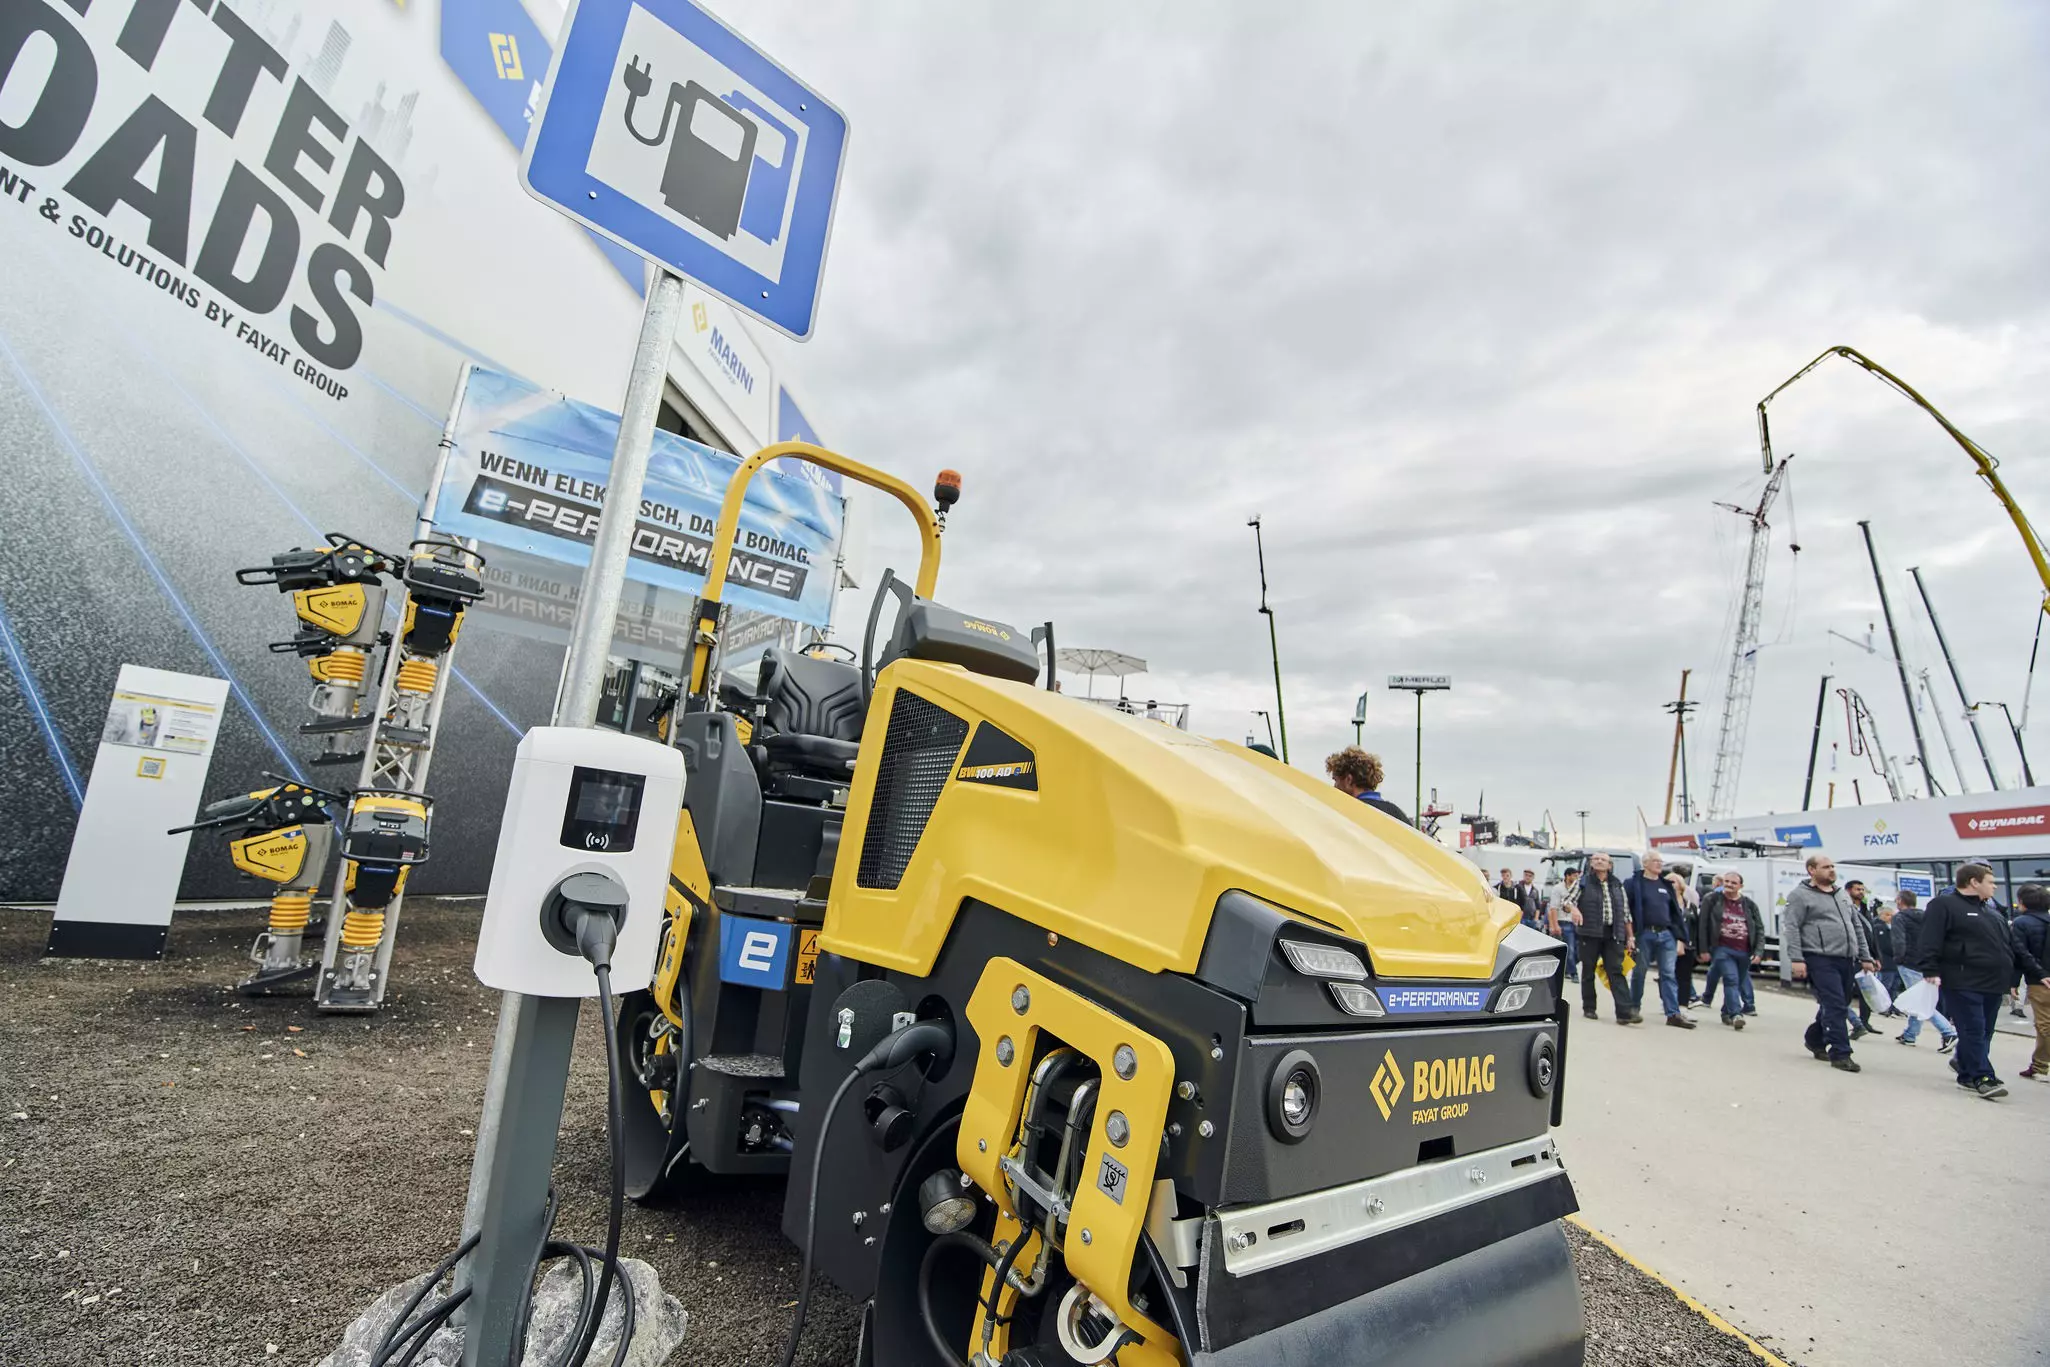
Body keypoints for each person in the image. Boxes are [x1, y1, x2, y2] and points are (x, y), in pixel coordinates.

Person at [1914, 863, 2048, 1100]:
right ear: (1974, 882)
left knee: (1984, 1031)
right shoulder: (1944, 905)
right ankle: (1983, 1077)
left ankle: (1966, 1071)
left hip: (1994, 983)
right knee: (1973, 1029)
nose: (1995, 886)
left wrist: (2038, 973)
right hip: (1963, 980)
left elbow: (2016, 948)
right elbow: (1929, 939)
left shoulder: (1992, 914)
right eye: (1991, 881)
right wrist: (1930, 969)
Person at [1782, 852, 1878, 1072]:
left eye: (1833, 866)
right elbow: (1792, 928)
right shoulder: (1799, 895)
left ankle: (1815, 1038)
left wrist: (1865, 956)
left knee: (1838, 1004)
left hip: (1846, 958)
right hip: (1819, 957)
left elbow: (1857, 927)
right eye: (1825, 867)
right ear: (1812, 870)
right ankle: (1841, 1053)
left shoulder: (1842, 895)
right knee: (1835, 1004)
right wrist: (1796, 958)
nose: (1831, 870)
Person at [1624, 852, 1695, 1029]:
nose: (1659, 864)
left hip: (1666, 934)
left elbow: (1675, 912)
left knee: (1668, 974)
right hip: (1644, 934)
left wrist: (1680, 936)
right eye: (1655, 861)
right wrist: (1629, 935)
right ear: (1645, 863)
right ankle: (1633, 1009)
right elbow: (1626, 910)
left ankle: (1673, 1013)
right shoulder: (1633, 884)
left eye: (1660, 861)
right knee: (1639, 972)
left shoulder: (1666, 885)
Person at [1567, 853, 1637, 1024]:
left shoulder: (1617, 885)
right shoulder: (1583, 882)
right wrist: (1574, 910)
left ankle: (1625, 1012)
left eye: (1603, 860)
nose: (1599, 861)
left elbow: (1626, 913)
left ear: (1610, 865)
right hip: (1590, 933)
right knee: (1588, 970)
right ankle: (1589, 1007)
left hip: (1613, 934)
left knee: (1616, 971)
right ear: (1591, 864)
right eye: (1596, 859)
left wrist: (1630, 936)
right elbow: (1568, 900)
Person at [1892, 889, 1957, 1053]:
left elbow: (1899, 941)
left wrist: (1899, 959)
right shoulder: (1926, 916)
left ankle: (1948, 1032)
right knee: (1919, 998)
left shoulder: (1899, 917)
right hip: (1926, 963)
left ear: (1900, 901)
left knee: (1921, 1001)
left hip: (1908, 963)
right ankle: (1910, 1035)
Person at [1696, 871, 1762, 1030]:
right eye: (1726, 881)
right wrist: (1703, 949)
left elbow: (1759, 928)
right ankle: (1736, 1014)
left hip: (1744, 951)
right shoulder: (1712, 899)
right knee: (1731, 979)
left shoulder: (1749, 904)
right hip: (1722, 949)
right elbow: (1702, 925)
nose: (1729, 885)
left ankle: (1726, 1012)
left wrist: (1759, 952)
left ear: (1741, 886)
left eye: (1733, 883)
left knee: (1737, 982)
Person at [2014, 885, 2050, 1081]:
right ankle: (2039, 1064)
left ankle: (2040, 1064)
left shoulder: (2021, 923)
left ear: (2023, 902)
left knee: (2044, 1025)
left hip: (2040, 981)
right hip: (2042, 977)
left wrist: (2039, 973)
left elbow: (2020, 953)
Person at [1324, 747, 1411, 823]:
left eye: (1336, 780)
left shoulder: (1347, 813)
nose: (1334, 787)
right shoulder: (1397, 814)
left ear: (1348, 780)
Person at [1667, 868, 1700, 1009]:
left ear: (1681, 885)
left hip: (1687, 944)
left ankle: (1683, 1005)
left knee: (1685, 977)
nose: (1671, 884)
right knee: (1668, 975)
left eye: (1673, 882)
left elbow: (1696, 924)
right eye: (1668, 882)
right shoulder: (1664, 903)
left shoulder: (1690, 905)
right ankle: (1669, 1003)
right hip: (1668, 944)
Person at [1697, 871, 1729, 1012]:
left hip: (1719, 942)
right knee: (1732, 977)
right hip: (1723, 944)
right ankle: (1738, 1007)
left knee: (1729, 975)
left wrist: (1704, 947)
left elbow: (1703, 922)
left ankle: (1708, 998)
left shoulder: (1711, 897)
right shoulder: (1713, 897)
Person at [1547, 867, 1582, 980]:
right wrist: (1554, 925)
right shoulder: (1558, 888)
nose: (1576, 878)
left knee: (1579, 950)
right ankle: (1574, 973)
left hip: (1577, 922)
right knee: (1570, 949)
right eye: (1574, 875)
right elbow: (1553, 908)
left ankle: (1567, 969)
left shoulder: (1578, 888)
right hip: (1563, 921)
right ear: (1567, 876)